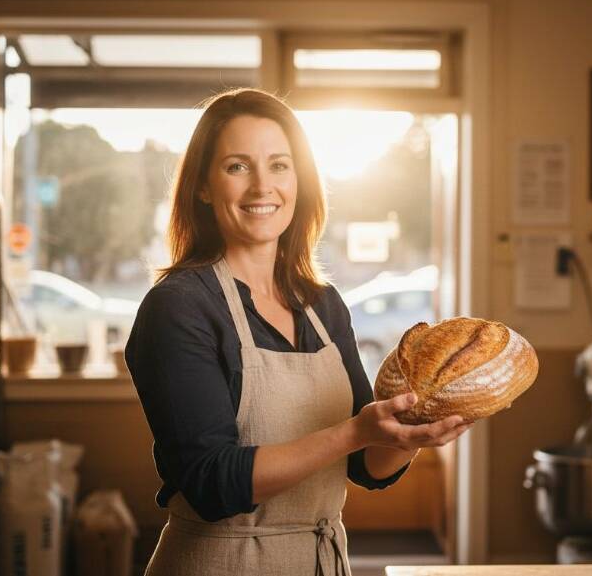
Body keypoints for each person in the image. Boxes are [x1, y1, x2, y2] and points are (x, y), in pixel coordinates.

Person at [125, 88, 472, 576]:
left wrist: (409, 435)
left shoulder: (323, 306)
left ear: (299, 181)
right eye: (237, 166)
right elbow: (212, 484)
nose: (262, 187)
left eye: (279, 166)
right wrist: (352, 432)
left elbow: (364, 467)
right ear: (202, 186)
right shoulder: (179, 307)